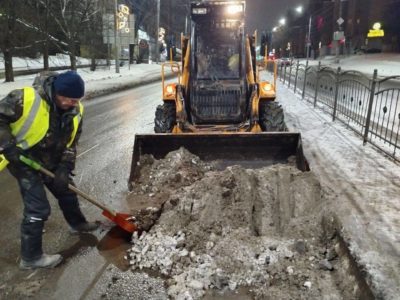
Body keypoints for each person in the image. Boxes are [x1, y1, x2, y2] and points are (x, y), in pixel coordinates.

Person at [0, 70, 98, 270]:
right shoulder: (25, 98)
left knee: (67, 190)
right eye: (69, 99)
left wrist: (65, 166)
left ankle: (77, 224)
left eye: (77, 99)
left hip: (51, 159)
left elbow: (72, 143)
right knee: (38, 207)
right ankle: (31, 257)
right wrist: (8, 146)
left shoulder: (76, 110)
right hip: (23, 159)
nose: (73, 103)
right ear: (56, 92)